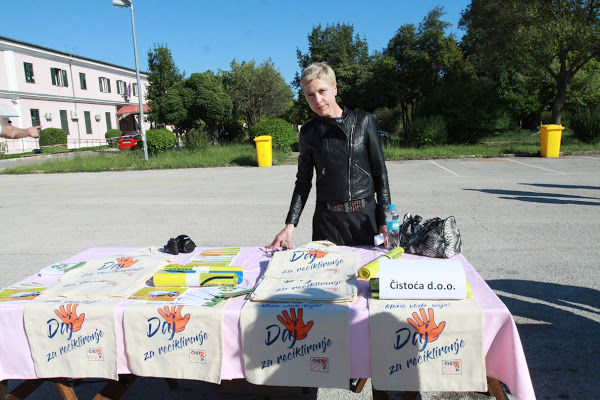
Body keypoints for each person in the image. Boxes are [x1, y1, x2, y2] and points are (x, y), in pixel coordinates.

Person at [267, 62, 391, 249]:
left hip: (365, 219)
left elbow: (380, 174)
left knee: (370, 267)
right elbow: (303, 181)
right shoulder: (308, 132)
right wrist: (290, 225)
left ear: (334, 89)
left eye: (322, 91)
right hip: (328, 223)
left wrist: (385, 220)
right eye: (310, 95)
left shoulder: (364, 121)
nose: (317, 100)